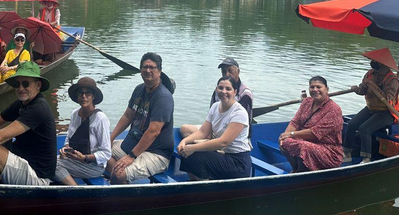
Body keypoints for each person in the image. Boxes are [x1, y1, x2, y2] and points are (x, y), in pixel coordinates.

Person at [106, 52, 174, 184]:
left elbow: (153, 132)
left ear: (159, 71)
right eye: (144, 67)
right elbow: (128, 116)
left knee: (118, 174)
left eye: (152, 67)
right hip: (134, 143)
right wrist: (110, 138)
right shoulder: (139, 89)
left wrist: (131, 156)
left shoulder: (163, 97)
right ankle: (123, 183)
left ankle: (120, 186)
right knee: (102, 152)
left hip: (156, 153)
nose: (148, 70)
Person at [177, 75, 252, 180]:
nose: (223, 91)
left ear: (235, 92)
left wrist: (192, 148)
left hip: (238, 162)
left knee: (194, 155)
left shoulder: (239, 113)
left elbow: (223, 142)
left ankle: (204, 189)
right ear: (216, 89)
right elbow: (203, 132)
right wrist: (184, 141)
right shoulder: (215, 106)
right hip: (223, 155)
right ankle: (196, 183)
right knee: (186, 151)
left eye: (228, 89)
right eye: (220, 88)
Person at [343, 48, 399, 164]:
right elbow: (363, 90)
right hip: (371, 108)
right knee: (351, 124)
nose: (373, 63)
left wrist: (372, 85)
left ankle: (366, 158)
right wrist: (357, 89)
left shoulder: (392, 80)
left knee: (364, 129)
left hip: (386, 112)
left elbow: (386, 98)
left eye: (376, 61)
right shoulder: (370, 74)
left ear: (383, 64)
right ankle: (347, 152)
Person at [278, 76, 344, 172]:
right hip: (305, 141)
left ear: (327, 89)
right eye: (312, 87)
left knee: (303, 147)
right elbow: (295, 122)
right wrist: (285, 136)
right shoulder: (307, 102)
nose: (315, 90)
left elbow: (315, 133)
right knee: (285, 142)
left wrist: (291, 134)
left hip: (328, 150)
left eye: (318, 87)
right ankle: (296, 170)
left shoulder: (334, 109)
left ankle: (301, 174)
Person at [55, 77, 112, 185]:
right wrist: (66, 149)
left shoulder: (100, 118)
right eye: (80, 93)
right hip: (73, 160)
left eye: (88, 93)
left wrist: (85, 158)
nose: (84, 96)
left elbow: (106, 153)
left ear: (93, 96)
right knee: (48, 160)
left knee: (51, 166)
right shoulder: (75, 114)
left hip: (92, 166)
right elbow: (69, 138)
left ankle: (75, 187)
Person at [180, 57, 253, 138]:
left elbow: (240, 124)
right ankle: (208, 143)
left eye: (230, 71)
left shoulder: (245, 94)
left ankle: (208, 144)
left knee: (199, 142)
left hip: (234, 134)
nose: (227, 74)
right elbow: (211, 116)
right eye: (224, 71)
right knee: (185, 129)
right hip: (217, 130)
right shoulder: (218, 91)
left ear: (238, 72)